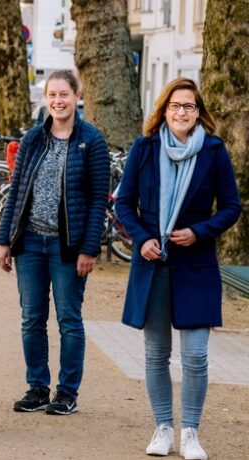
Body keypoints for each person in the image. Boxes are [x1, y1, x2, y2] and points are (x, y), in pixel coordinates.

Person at [115, 77, 240, 459]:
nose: (181, 112)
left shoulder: (214, 151)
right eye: (175, 105)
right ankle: (163, 428)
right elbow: (124, 204)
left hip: (197, 265)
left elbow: (231, 207)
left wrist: (199, 231)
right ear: (164, 110)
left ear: (198, 112)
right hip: (153, 263)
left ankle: (190, 432)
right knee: (156, 353)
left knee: (196, 356)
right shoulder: (145, 148)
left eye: (189, 106)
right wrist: (142, 238)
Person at [0, 70, 110, 415]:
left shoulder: (92, 140)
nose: (58, 101)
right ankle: (37, 388)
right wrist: (4, 240)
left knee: (69, 319)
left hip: (68, 247)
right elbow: (16, 191)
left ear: (77, 96)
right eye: (52, 95)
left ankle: (67, 392)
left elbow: (98, 200)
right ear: (46, 99)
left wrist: (89, 249)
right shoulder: (33, 139)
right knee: (32, 318)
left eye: (64, 94)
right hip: (30, 243)